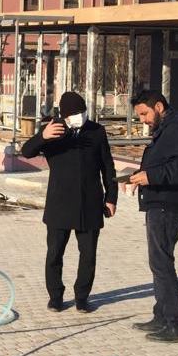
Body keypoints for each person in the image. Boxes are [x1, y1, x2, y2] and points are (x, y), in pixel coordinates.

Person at [21, 91, 117, 313]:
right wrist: (43, 136)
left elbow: (108, 167)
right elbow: (26, 151)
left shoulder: (96, 131)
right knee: (55, 253)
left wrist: (111, 198)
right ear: (64, 116)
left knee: (89, 255)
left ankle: (82, 297)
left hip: (90, 203)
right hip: (60, 204)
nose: (79, 117)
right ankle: (55, 296)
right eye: (74, 114)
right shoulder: (53, 131)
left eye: (82, 112)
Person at [127, 90, 178, 343]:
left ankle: (177, 325)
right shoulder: (168, 129)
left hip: (168, 206)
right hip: (160, 202)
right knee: (159, 263)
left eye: (144, 114)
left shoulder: (177, 129)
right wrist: (142, 175)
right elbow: (165, 163)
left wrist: (151, 177)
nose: (143, 121)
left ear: (158, 106)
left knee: (162, 265)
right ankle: (162, 316)